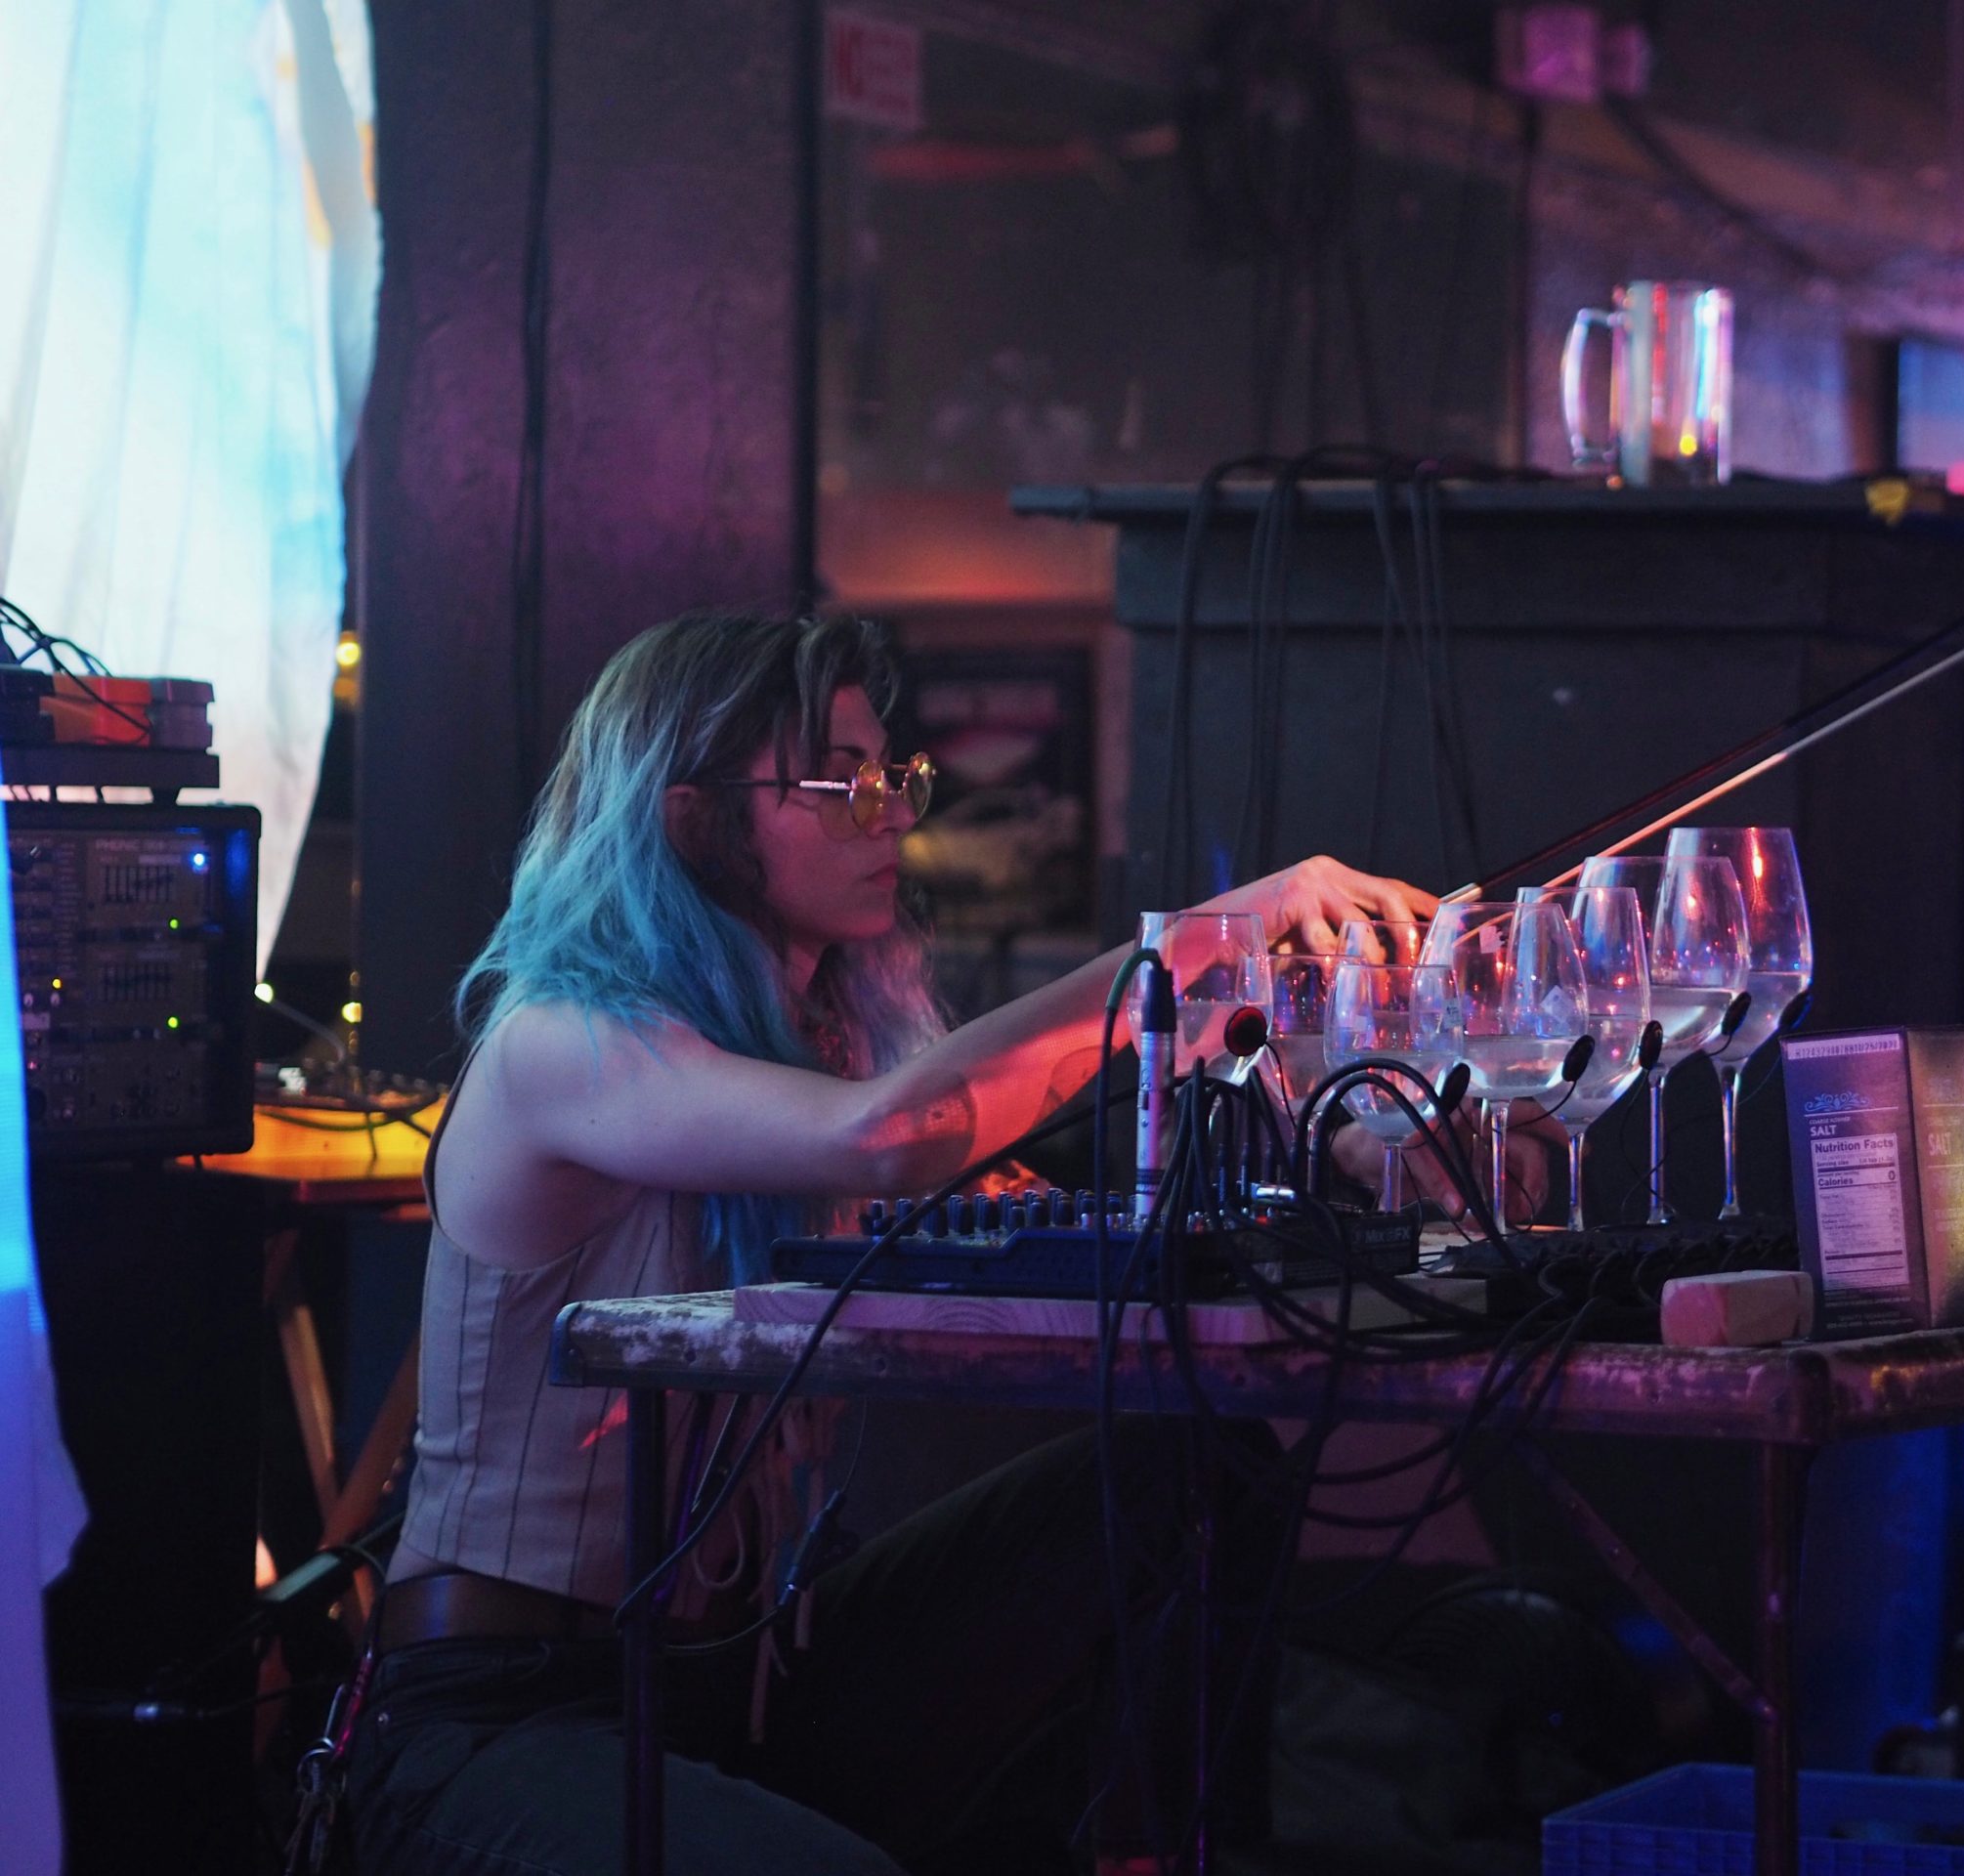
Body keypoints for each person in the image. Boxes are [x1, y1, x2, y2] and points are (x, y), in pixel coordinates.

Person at [342, 610, 1531, 1876]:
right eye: (834, 781)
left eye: (888, 775)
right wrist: (1196, 943)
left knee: (1194, 1466)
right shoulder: (561, 1044)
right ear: (689, 818)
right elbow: (888, 1139)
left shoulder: (820, 1044)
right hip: (504, 1715)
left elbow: (1019, 1178)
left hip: (741, 1683)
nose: (888, 813)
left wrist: (1341, 1139)